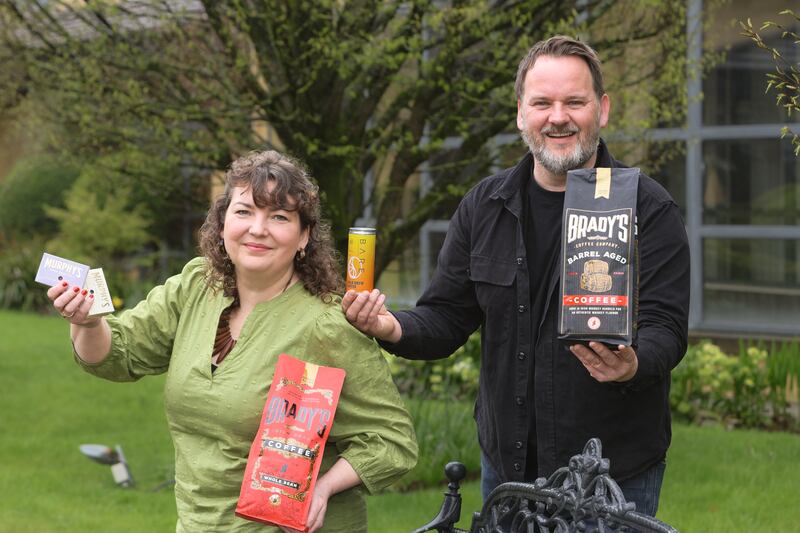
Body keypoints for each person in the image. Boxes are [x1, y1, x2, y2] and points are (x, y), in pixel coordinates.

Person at [342, 35, 689, 518]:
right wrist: (389, 327)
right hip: (506, 469)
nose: (558, 117)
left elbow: (666, 328)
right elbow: (445, 316)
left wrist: (633, 363)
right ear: (521, 113)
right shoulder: (484, 206)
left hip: (611, 476)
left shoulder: (648, 209)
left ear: (602, 110)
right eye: (542, 102)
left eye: (575, 102)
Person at [48, 150, 417, 533]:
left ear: (304, 236)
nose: (258, 228)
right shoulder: (196, 287)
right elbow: (118, 356)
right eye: (244, 212)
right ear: (222, 224)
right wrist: (89, 323)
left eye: (278, 217)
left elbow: (392, 442)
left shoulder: (327, 325)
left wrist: (321, 489)